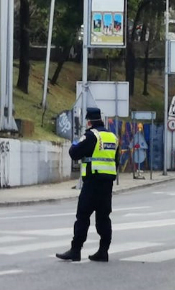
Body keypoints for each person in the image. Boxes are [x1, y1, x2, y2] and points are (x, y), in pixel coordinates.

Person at [56, 108, 119, 262]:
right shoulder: (112, 137)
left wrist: (78, 139)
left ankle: (75, 250)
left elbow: (74, 152)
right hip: (107, 184)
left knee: (82, 216)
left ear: (89, 121)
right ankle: (103, 251)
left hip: (92, 182)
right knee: (104, 217)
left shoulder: (91, 135)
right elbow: (116, 160)